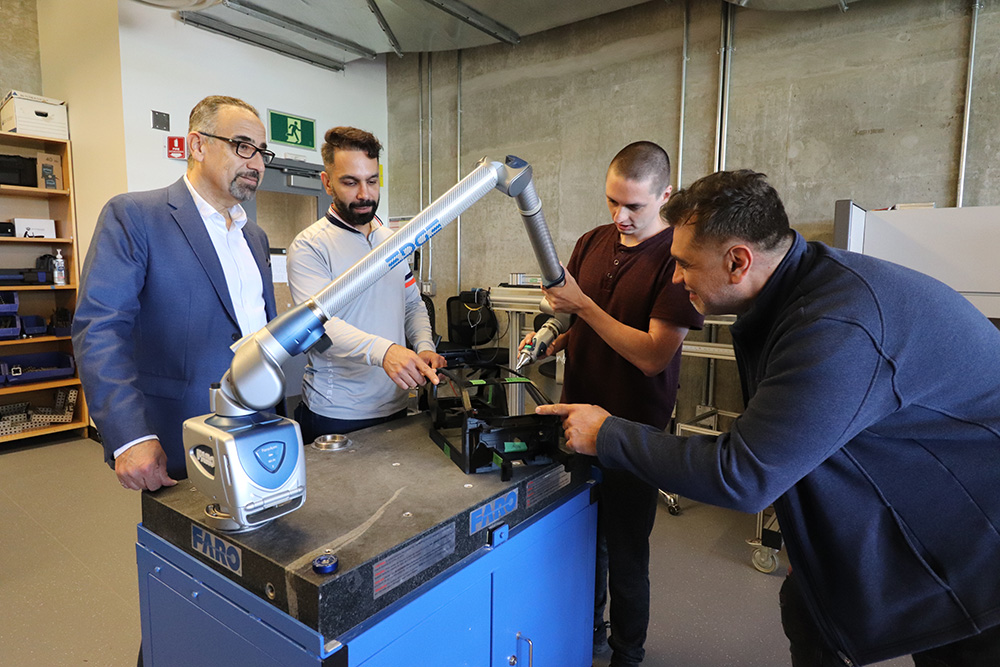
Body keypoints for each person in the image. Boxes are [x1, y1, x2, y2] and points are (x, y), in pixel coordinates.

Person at [540, 170, 1000, 666]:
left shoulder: (835, 326)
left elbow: (742, 474)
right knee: (809, 614)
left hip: (978, 544)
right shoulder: (795, 292)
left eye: (683, 265)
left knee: (954, 643)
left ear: (738, 261)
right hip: (909, 498)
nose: (675, 278)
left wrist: (607, 434)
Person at [518, 142, 703, 667]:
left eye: (634, 207)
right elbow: (572, 314)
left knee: (624, 553)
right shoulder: (592, 242)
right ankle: (588, 635)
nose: (619, 217)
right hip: (575, 422)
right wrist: (558, 330)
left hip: (632, 433)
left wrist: (583, 308)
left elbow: (651, 355)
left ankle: (628, 653)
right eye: (611, 202)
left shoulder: (678, 259)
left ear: (665, 196)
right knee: (579, 543)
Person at [73, 95, 278, 493]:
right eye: (243, 147)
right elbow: (99, 329)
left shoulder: (255, 237)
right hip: (182, 432)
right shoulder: (135, 216)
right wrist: (130, 435)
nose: (256, 164)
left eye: (262, 152)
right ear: (198, 145)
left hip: (260, 424)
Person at [287, 126, 445, 443]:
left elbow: (413, 304)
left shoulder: (395, 242)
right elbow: (319, 325)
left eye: (372, 181)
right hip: (337, 413)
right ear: (327, 182)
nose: (364, 194)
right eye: (351, 182)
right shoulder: (309, 246)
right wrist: (384, 351)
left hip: (397, 404)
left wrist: (425, 346)